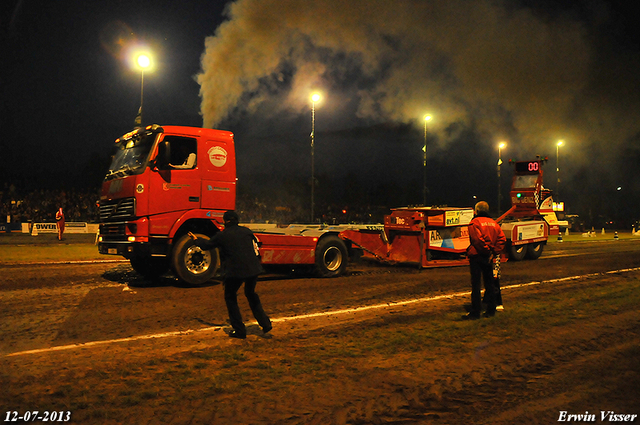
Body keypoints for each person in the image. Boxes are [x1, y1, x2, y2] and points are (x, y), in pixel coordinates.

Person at [191, 210, 272, 339]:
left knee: (230, 296)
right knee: (251, 294)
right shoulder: (247, 231)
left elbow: (206, 246)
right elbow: (257, 245)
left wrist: (196, 240)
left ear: (225, 221)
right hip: (254, 269)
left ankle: (239, 330)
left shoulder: (222, 235)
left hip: (236, 271)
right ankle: (265, 323)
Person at [464, 201, 506, 319]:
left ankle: (475, 311)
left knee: (476, 285)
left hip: (477, 256)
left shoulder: (474, 222)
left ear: (476, 210)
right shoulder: (494, 223)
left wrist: (486, 251)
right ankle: (491, 309)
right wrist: (494, 252)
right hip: (489, 258)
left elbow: (477, 240)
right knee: (489, 283)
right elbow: (502, 239)